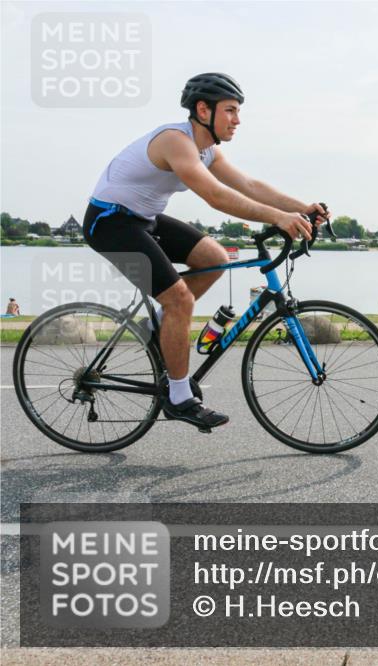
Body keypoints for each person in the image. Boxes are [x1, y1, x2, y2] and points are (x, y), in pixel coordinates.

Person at [83, 73, 329, 431]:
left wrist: (302, 208)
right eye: (230, 110)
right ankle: (179, 398)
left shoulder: (207, 150)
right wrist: (279, 217)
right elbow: (215, 195)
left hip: (143, 219)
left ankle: (162, 328)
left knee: (215, 258)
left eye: (238, 111)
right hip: (109, 223)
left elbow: (248, 185)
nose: (237, 120)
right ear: (203, 110)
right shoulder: (175, 142)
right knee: (180, 299)